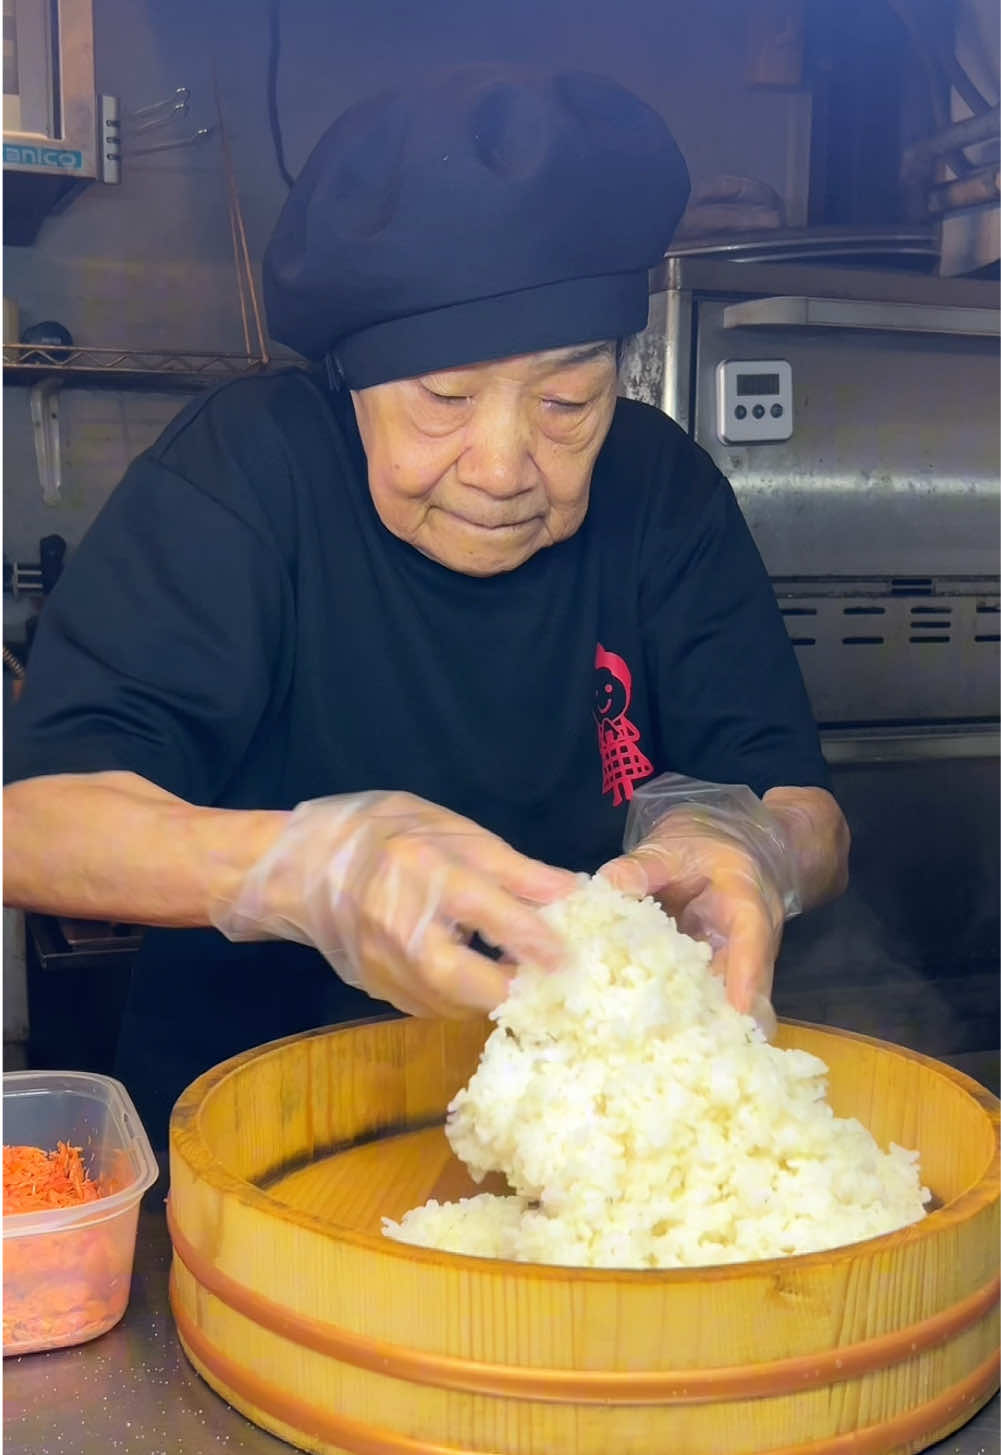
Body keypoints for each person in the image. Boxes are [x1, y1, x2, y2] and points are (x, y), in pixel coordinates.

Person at [3, 66, 849, 1147]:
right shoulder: (243, 473)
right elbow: (29, 827)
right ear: (350, 379)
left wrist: (746, 847)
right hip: (262, 1133)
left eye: (565, 400)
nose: (502, 467)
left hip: (593, 1133)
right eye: (443, 399)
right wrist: (305, 870)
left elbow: (806, 812)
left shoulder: (663, 490)